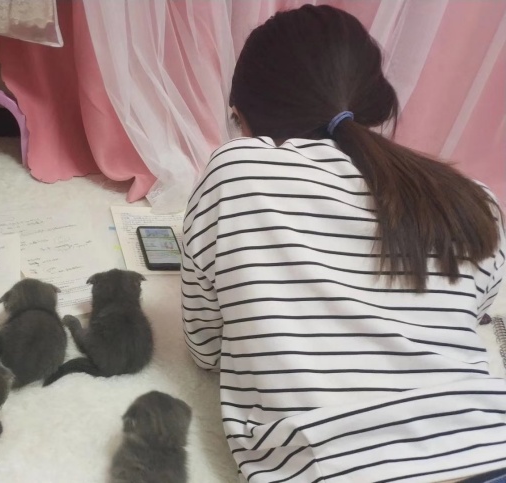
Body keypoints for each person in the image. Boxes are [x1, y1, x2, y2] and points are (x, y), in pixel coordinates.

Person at [181, 5, 506, 483]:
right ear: (374, 102)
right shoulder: (474, 200)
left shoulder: (236, 171)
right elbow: (473, 315)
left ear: (241, 116)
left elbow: (205, 349)